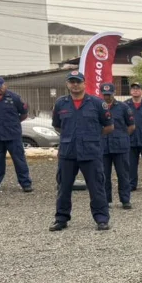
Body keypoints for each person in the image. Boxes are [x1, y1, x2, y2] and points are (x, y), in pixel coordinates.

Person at [50, 71, 114, 231]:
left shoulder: (97, 103)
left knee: (96, 187)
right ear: (67, 84)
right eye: (72, 82)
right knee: (64, 187)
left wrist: (92, 136)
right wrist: (70, 137)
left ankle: (101, 219)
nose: (75, 85)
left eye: (78, 82)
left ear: (84, 83)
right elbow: (57, 126)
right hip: (68, 152)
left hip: (90, 152)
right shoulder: (61, 103)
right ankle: (61, 219)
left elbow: (109, 126)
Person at [0, 76, 33, 193]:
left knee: (19, 160)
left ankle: (26, 183)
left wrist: (14, 123)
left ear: (5, 85)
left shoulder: (15, 98)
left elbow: (24, 114)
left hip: (13, 135)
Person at [100, 83, 135, 209]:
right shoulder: (98, 107)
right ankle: (106, 200)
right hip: (103, 147)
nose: (107, 97)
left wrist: (122, 137)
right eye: (105, 94)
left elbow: (131, 126)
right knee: (104, 175)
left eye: (109, 94)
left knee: (123, 174)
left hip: (120, 147)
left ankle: (125, 200)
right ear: (101, 94)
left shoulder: (123, 107)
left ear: (114, 93)